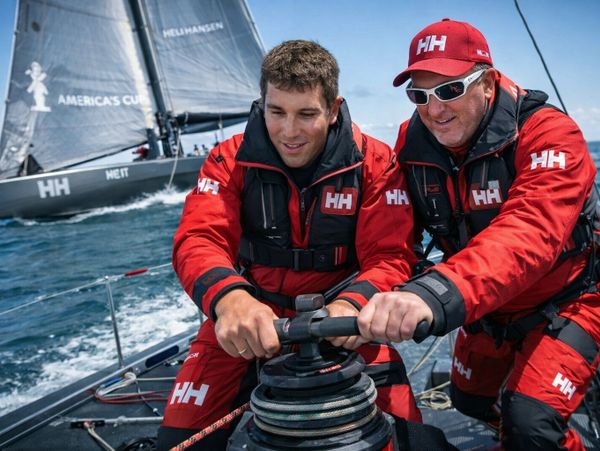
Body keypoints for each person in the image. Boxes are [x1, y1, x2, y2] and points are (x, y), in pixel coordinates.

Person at [158, 40, 421, 450]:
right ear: (261, 105)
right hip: (250, 317)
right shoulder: (227, 160)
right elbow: (199, 238)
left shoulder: (375, 163)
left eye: (307, 114)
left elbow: (391, 255)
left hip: (344, 321)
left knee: (405, 434)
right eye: (276, 112)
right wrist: (230, 300)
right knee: (178, 441)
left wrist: (353, 304)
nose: (289, 131)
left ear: (333, 109)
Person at [357, 18, 600, 450]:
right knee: (468, 400)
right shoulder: (412, 145)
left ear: (486, 83)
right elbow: (389, 230)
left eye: (450, 90)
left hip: (569, 301)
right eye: (419, 96)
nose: (435, 110)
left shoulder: (549, 134)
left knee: (531, 426)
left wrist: (434, 294)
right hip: (487, 312)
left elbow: (529, 233)